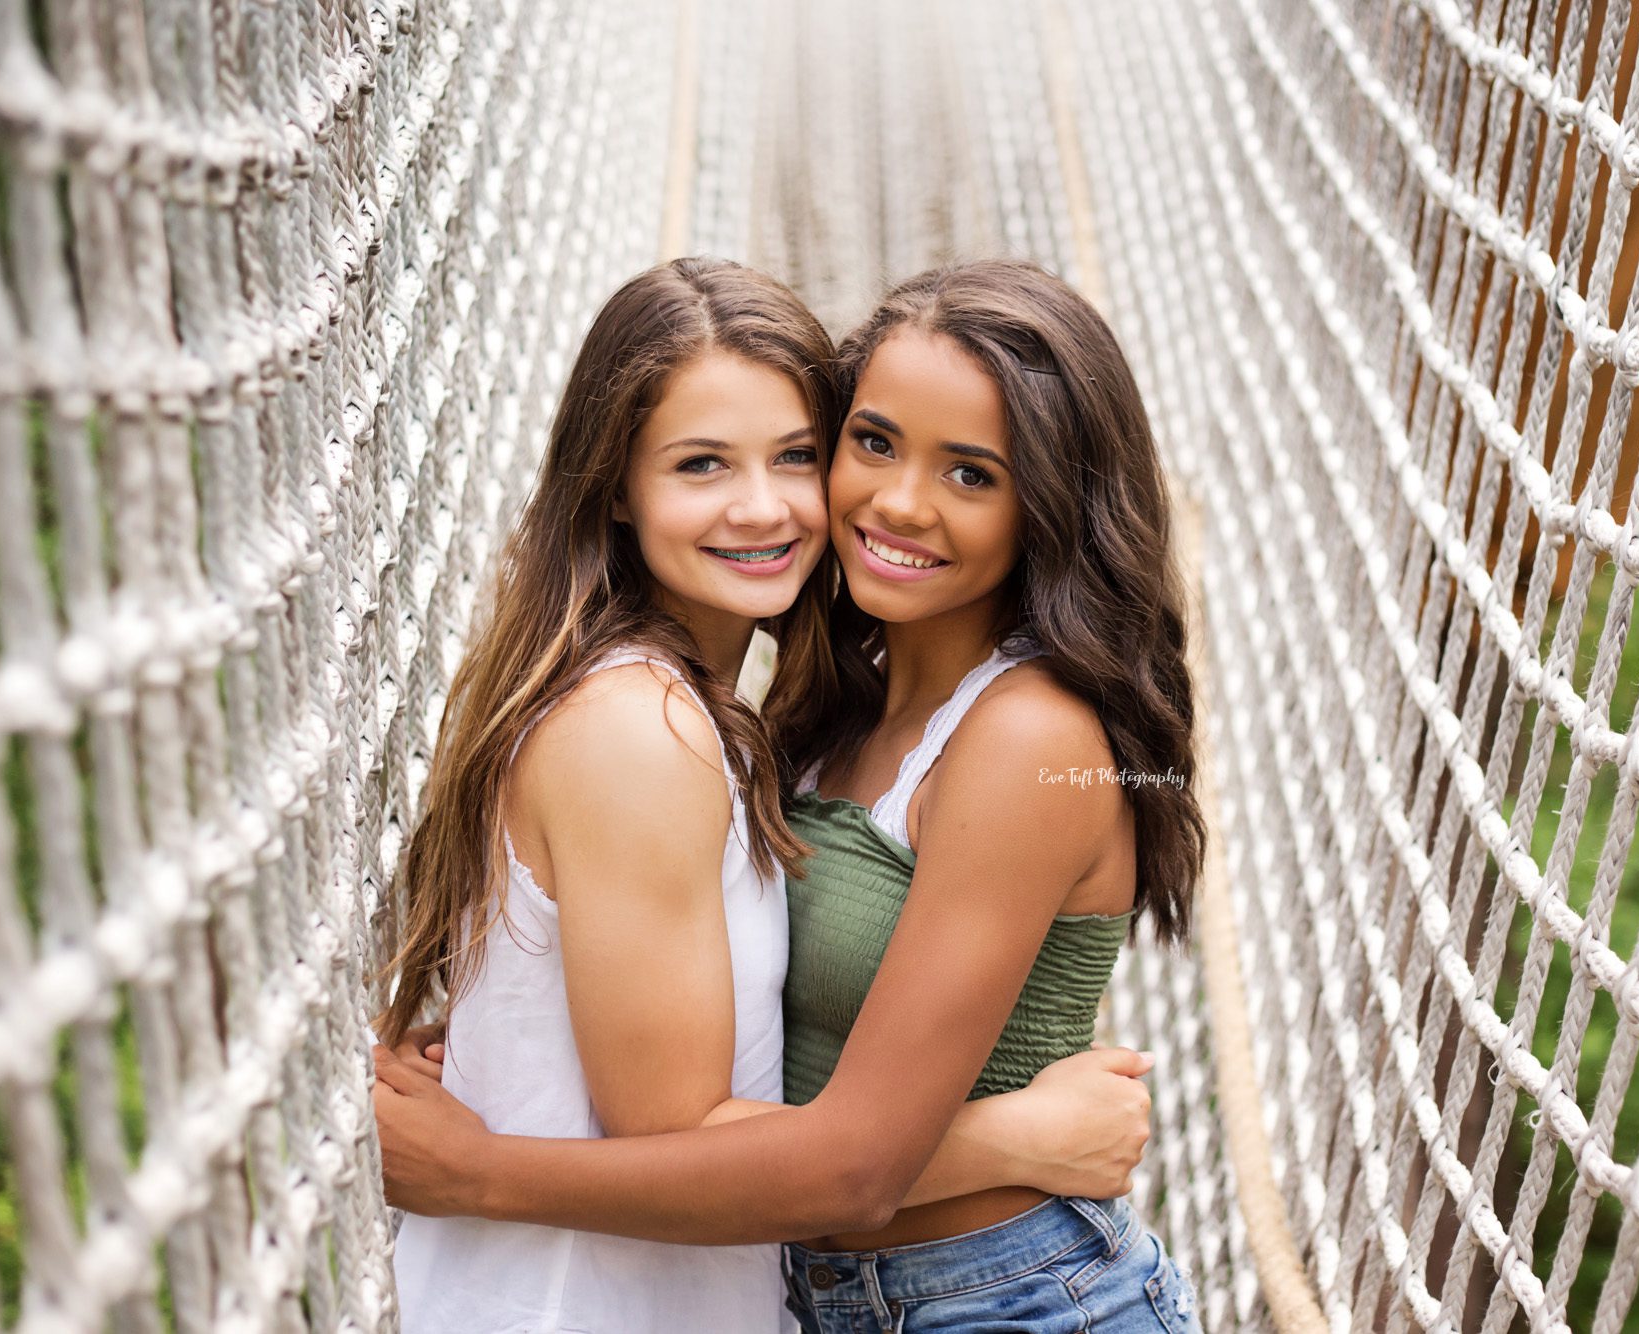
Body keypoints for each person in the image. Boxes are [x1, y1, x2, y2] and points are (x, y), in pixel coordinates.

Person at [374, 257, 1156, 1334]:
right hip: (823, 1296)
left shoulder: (1026, 736)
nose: (897, 501)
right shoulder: (807, 716)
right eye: (871, 442)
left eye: (970, 473)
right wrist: (1014, 1135)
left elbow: (851, 1163)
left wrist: (482, 1167)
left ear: (1049, 504)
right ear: (617, 483)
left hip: (1012, 1297)